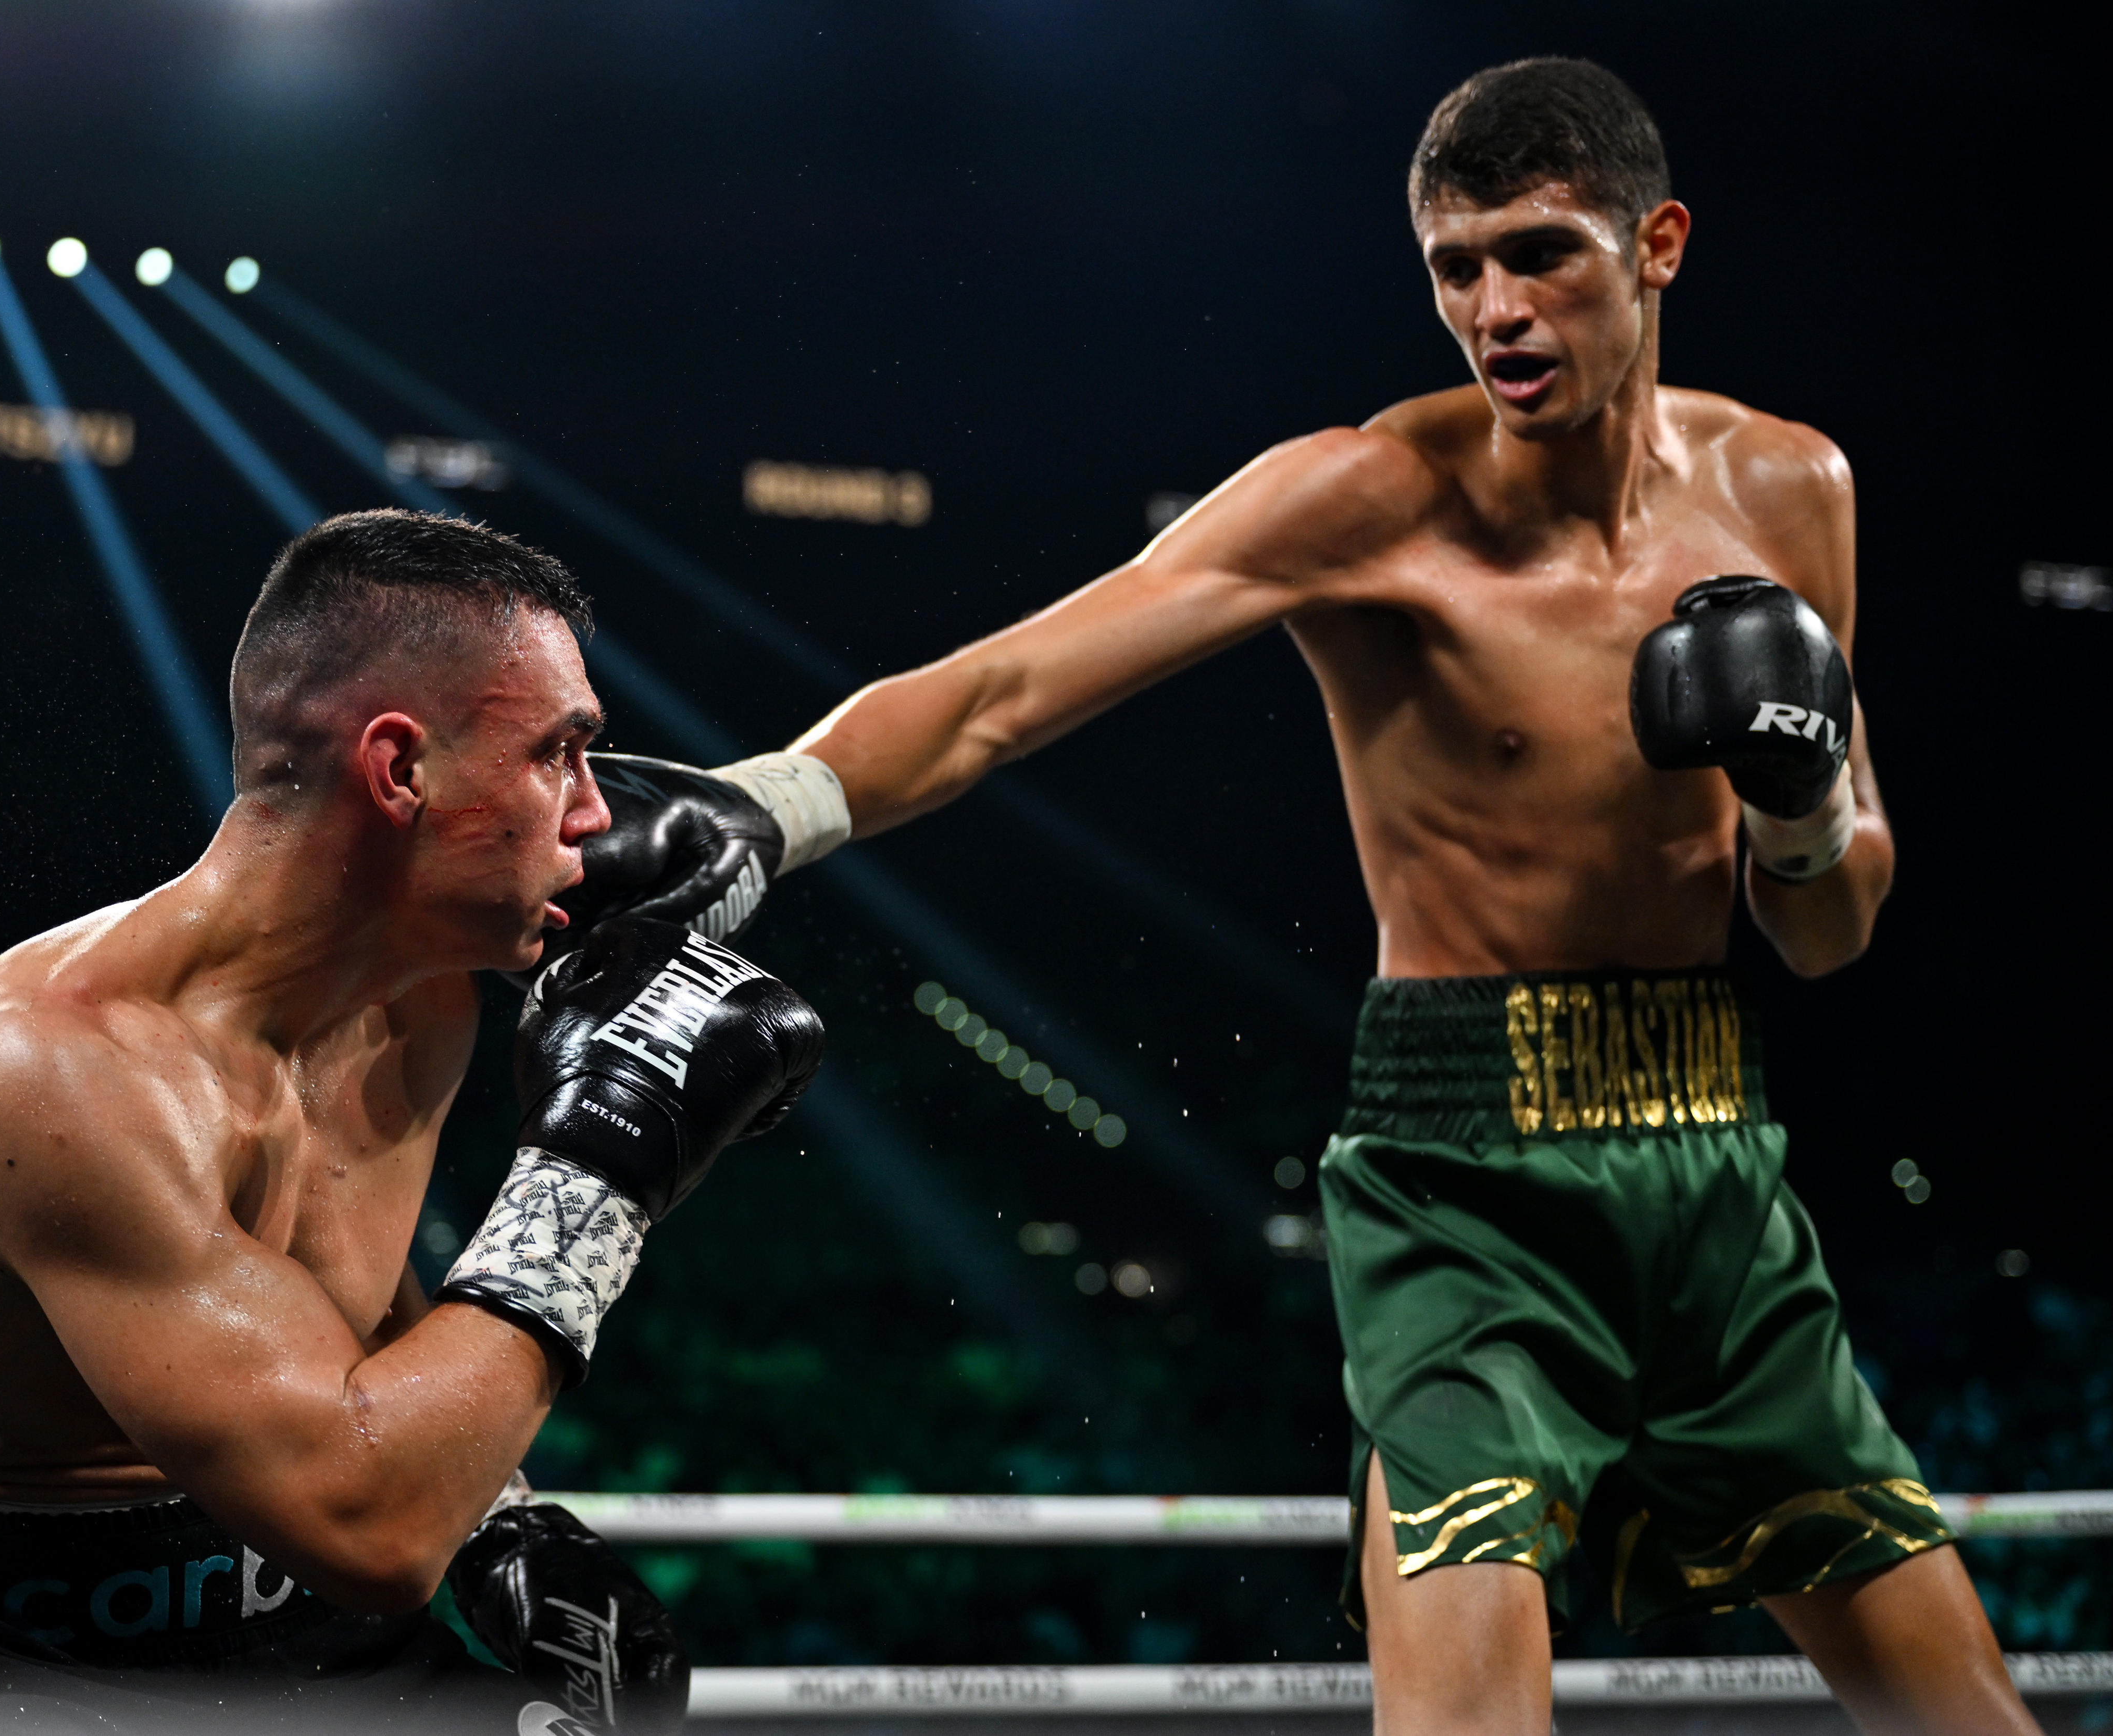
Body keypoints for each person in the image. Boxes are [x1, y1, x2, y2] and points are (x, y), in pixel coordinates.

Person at [562, 59, 2038, 1736]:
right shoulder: (1371, 496)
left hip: (1718, 1158)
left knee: (1969, 1715)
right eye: (1454, 267)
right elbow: (1003, 689)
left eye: (1541, 253)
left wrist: (1797, 803)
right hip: (1459, 1178)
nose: (1496, 308)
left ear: (1661, 247)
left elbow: (1831, 929)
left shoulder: (1793, 493)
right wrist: (767, 807)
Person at [0, 510, 826, 1734]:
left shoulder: (428, 974)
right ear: (400, 768)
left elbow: (930, 735)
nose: (596, 812)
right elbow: (369, 1528)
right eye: (558, 753)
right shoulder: (60, 1073)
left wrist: (501, 1521)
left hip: (300, 1626)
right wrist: (603, 1164)